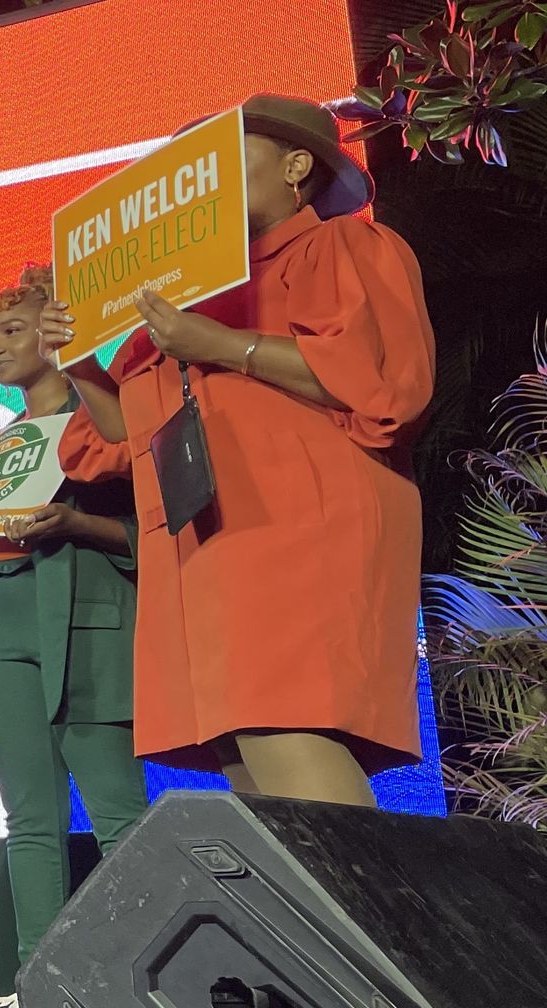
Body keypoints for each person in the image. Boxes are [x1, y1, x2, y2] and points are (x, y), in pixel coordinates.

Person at [51, 94, 433, 805]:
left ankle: (364, 919)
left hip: (295, 519)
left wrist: (225, 347)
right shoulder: (183, 302)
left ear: (297, 167)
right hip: (205, 540)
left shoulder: (342, 245)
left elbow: (383, 386)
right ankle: (309, 920)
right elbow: (117, 439)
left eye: (224, 158)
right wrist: (74, 362)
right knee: (244, 753)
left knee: (284, 723)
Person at [0, 266, 149, 1008]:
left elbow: (156, 536)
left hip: (89, 627)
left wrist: (77, 527)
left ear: (56, 334)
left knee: (120, 816)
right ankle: (37, 987)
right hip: (8, 636)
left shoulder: (107, 426)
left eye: (12, 332)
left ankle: (144, 976)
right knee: (31, 823)